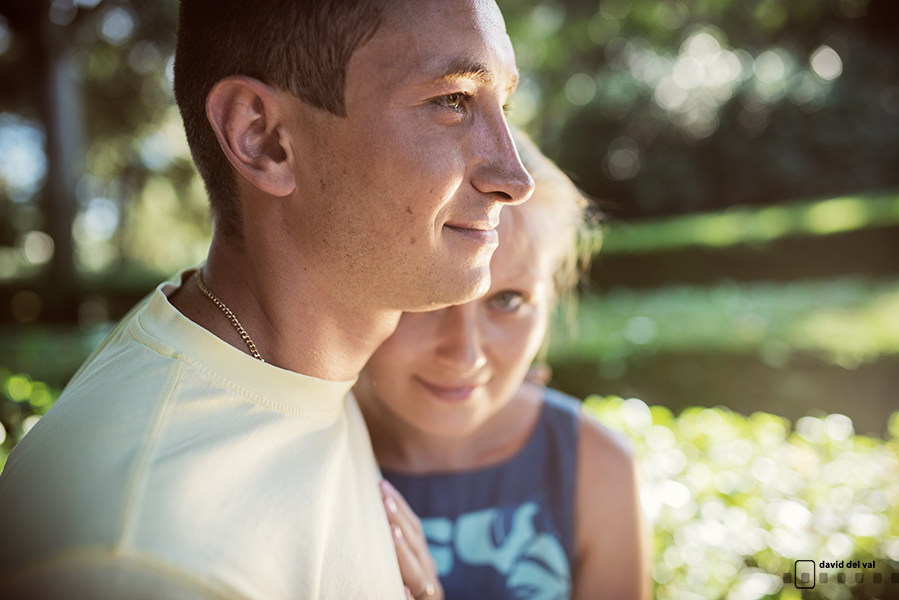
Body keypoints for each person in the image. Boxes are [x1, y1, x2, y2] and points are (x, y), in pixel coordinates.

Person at [0, 1, 533, 598]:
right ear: (263, 138)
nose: (514, 177)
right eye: (452, 101)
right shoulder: (145, 560)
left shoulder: (307, 363)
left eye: (502, 104)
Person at [355, 132, 651, 599]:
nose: (465, 353)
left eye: (508, 300)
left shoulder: (596, 470)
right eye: (427, 294)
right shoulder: (301, 440)